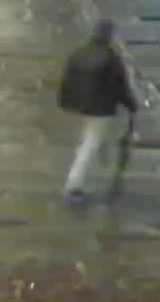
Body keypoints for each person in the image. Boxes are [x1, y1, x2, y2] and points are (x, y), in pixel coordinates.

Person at [57, 20, 137, 204]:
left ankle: (99, 168)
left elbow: (66, 81)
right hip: (100, 108)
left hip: (77, 105)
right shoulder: (112, 59)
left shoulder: (79, 54)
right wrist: (131, 106)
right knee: (91, 143)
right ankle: (74, 185)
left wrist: (65, 102)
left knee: (90, 139)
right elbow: (121, 88)